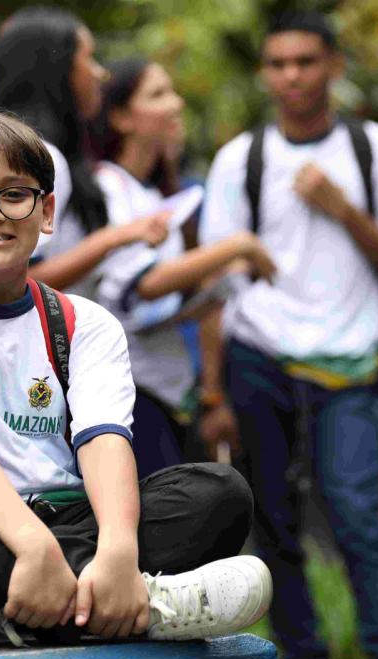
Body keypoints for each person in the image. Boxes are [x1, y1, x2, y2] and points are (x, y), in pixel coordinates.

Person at [0, 109, 272, 654]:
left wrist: (117, 550)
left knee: (220, 493)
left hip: (61, 520)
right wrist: (32, 548)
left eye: (14, 195)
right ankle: (142, 605)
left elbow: (104, 441)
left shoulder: (83, 324)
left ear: (46, 212)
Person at [199, 10, 378, 659]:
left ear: (334, 67)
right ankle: (303, 654)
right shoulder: (241, 159)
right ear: (265, 73)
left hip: (350, 360)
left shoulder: (374, 149)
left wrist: (343, 210)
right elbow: (214, 280)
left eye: (305, 61)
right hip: (259, 353)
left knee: (356, 514)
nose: (292, 76)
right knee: (272, 519)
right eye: (278, 64)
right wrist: (213, 390)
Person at [92, 58, 277, 477]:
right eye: (158, 94)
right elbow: (144, 286)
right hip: (130, 392)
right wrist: (238, 246)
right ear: (120, 117)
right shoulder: (107, 187)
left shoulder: (155, 194)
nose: (176, 104)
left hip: (170, 391)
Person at [0, 6, 169, 298]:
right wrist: (113, 239)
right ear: (57, 70)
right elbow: (13, 282)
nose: (100, 72)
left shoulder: (17, 151)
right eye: (88, 58)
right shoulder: (39, 157)